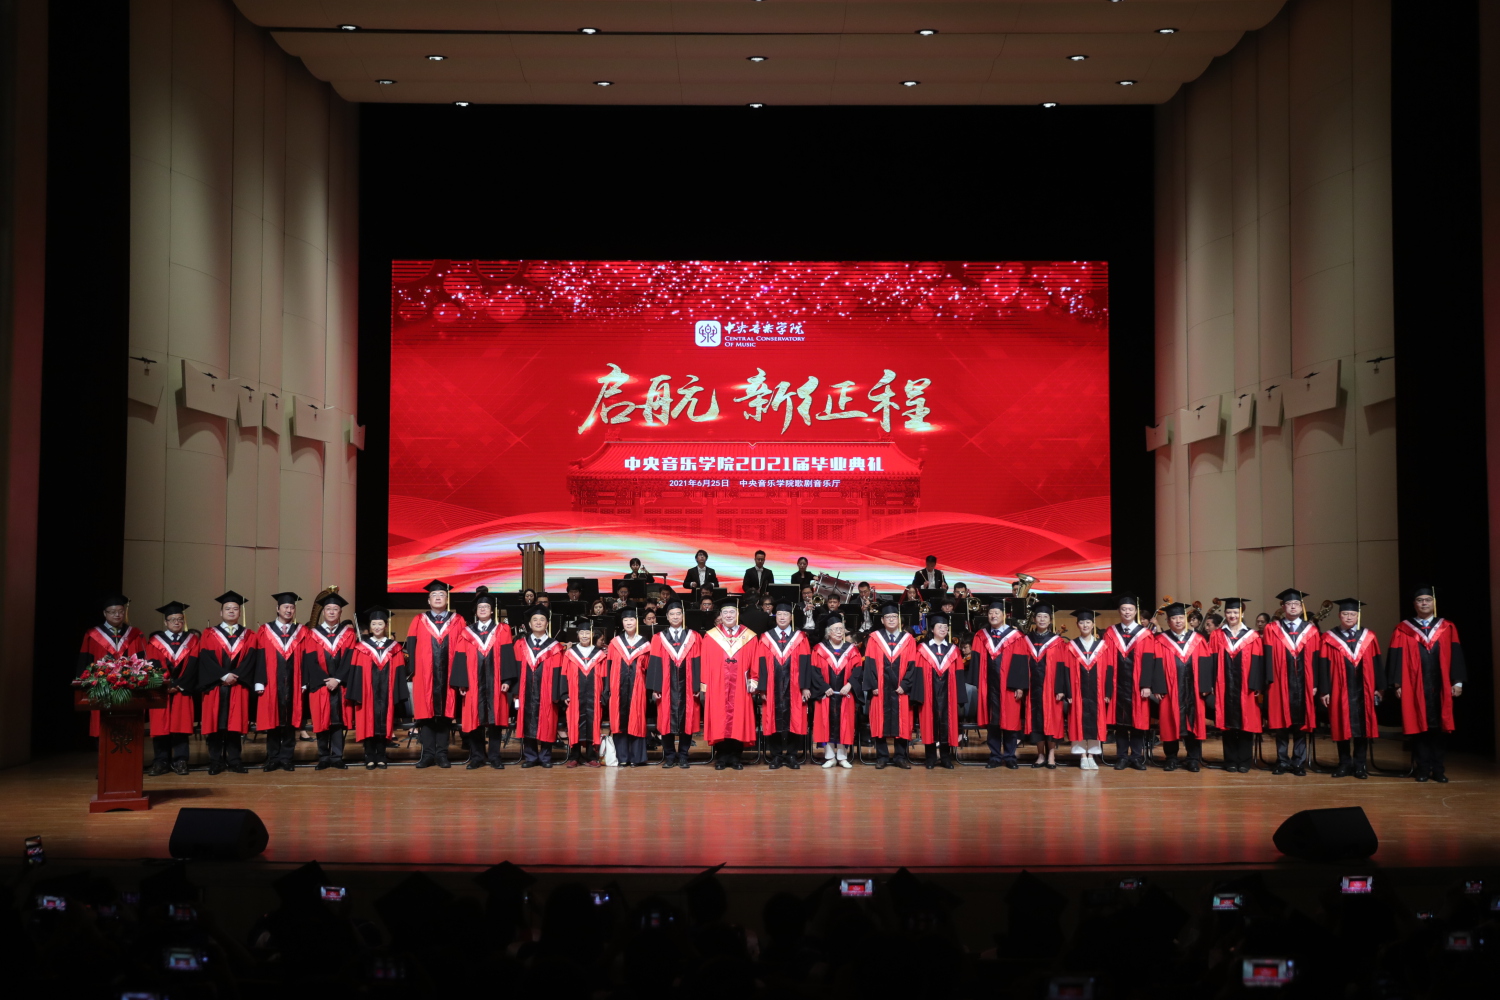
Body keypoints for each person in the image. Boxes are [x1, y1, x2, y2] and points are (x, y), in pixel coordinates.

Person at [1388, 585, 1465, 783]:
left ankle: (1438, 770)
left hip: (1441, 685)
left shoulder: (1447, 627)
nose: (1424, 603)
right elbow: (1396, 657)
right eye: (1420, 600)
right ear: (1414, 604)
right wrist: (1397, 684)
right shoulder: (1403, 629)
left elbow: (1456, 655)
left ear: (1433, 603)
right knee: (1418, 727)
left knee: (1440, 728)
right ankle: (1422, 769)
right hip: (1414, 686)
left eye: (1427, 600)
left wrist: (1457, 682)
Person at [1317, 599, 1383, 780]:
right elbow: (1323, 666)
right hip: (1339, 690)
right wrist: (1325, 690)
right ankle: (1344, 764)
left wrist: (1379, 688)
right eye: (1345, 614)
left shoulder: (1369, 637)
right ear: (1339, 615)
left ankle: (1360, 765)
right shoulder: (1329, 638)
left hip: (1364, 690)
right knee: (1341, 726)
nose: (1348, 617)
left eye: (1352, 614)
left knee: (1363, 727)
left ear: (1358, 616)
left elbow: (1377, 663)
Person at [404, 579, 465, 769]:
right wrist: (413, 671)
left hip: (449, 675)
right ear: (428, 600)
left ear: (447, 599)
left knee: (445, 716)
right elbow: (411, 646)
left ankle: (442, 754)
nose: (438, 598)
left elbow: (463, 649)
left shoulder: (458, 620)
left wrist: (461, 675)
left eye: (442, 595)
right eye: (434, 595)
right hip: (425, 676)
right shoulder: (418, 620)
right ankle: (428, 754)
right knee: (426, 715)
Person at [451, 586, 513, 770]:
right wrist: (461, 683)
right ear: (476, 611)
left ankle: (495, 756)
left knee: (495, 721)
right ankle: (477, 756)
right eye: (480, 607)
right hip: (473, 683)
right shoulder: (467, 632)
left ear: (492, 610)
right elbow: (460, 657)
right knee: (474, 719)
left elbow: (507, 655)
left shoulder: (502, 630)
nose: (483, 609)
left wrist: (507, 680)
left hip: (496, 681)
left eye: (486, 607)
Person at [196, 591, 257, 774]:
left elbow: (250, 660)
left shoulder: (248, 635)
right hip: (215, 686)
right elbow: (206, 659)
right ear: (221, 612)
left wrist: (235, 676)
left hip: (238, 685)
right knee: (215, 724)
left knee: (235, 725)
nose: (231, 611)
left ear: (240, 612)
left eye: (235, 609)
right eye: (228, 608)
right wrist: (223, 676)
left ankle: (235, 760)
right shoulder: (209, 634)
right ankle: (215, 761)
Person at [1262, 588, 1318, 776]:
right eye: (1289, 604)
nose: (1293, 607)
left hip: (1304, 683)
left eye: (1296, 604)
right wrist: (1269, 681)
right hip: (1280, 683)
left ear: (1301, 607)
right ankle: (1282, 761)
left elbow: (1316, 659)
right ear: (1283, 607)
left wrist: (1315, 683)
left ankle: (1298, 763)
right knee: (1281, 724)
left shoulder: (1311, 630)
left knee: (1301, 724)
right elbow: (1267, 656)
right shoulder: (1272, 629)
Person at [1152, 603, 1214, 773]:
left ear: (1185, 619)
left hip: (1193, 689)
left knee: (1194, 722)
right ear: (1168, 621)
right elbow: (1156, 663)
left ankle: (1193, 759)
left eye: (1181, 617)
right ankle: (1171, 758)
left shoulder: (1198, 639)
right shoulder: (1160, 640)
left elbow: (1205, 662)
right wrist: (1159, 687)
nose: (1178, 621)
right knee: (1169, 723)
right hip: (1170, 689)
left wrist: (1205, 685)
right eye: (1174, 618)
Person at [79, 594, 148, 741]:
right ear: (105, 613)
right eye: (113, 612)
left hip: (130, 689)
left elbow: (144, 661)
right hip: (102, 689)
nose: (117, 614)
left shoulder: (135, 634)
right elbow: (85, 662)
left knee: (129, 728)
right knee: (104, 729)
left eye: (121, 611)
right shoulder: (93, 635)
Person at [503, 606, 566, 768]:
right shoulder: (520, 644)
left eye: (542, 619)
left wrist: (557, 694)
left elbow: (559, 672)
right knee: (527, 721)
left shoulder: (555, 647)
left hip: (547, 692)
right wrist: (515, 691)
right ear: (529, 624)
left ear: (547, 624)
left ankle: (545, 757)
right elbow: (516, 669)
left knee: (547, 721)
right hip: (525, 691)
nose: (538, 622)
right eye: (535, 620)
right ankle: (530, 757)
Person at [968, 601, 1028, 769]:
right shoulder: (981, 635)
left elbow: (1021, 662)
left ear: (1004, 615)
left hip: (1009, 686)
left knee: (1010, 721)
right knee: (992, 722)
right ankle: (994, 756)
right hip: (988, 686)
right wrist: (977, 684)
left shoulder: (1016, 636)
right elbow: (976, 660)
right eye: (990, 613)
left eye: (996, 613)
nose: (993, 616)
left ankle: (1010, 756)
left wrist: (1019, 686)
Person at [348, 608, 409, 770]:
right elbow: (356, 672)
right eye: (374, 624)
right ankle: (369, 755)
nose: (377, 627)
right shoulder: (361, 647)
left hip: (387, 693)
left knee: (384, 722)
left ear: (386, 626)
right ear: (370, 626)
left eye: (380, 624)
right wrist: (357, 693)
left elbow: (399, 672)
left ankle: (381, 755)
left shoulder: (394, 648)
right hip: (367, 693)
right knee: (367, 722)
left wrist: (398, 694)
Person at [302, 591, 357, 770]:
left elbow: (350, 659)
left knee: (338, 722)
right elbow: (310, 661)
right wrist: (325, 680)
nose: (332, 612)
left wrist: (338, 679)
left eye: (335, 609)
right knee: (321, 720)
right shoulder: (312, 634)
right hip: (320, 685)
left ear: (340, 612)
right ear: (323, 612)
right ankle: (323, 757)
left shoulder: (349, 634)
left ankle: (337, 757)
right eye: (328, 609)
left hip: (340, 686)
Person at [699, 603, 758, 769]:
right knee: (720, 719)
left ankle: (736, 757)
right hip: (718, 684)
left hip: (740, 684)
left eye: (732, 612)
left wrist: (754, 679)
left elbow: (755, 659)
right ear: (721, 615)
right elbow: (705, 662)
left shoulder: (749, 636)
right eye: (725, 612)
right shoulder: (711, 636)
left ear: (737, 614)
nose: (729, 615)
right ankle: (722, 757)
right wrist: (705, 684)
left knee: (739, 718)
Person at [144, 601, 198, 777]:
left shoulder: (192, 640)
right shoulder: (154, 642)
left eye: (180, 619)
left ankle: (181, 760)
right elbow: (152, 664)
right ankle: (161, 761)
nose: (177, 622)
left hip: (182, 690)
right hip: (162, 690)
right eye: (173, 619)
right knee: (161, 725)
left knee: (181, 726)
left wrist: (179, 684)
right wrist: (166, 684)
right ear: (166, 622)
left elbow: (193, 665)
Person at [253, 592, 306, 772]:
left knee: (290, 722)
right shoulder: (265, 630)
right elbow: (260, 657)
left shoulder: (301, 631)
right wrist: (259, 681)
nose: (289, 610)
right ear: (277, 609)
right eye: (285, 607)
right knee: (272, 720)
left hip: (293, 682)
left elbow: (306, 658)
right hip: (271, 683)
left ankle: (287, 758)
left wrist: (304, 681)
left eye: (291, 607)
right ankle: (273, 757)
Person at [757, 604, 813, 770]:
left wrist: (805, 686)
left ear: (791, 617)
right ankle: (776, 755)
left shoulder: (800, 638)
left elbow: (806, 662)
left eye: (785, 615)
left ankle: (791, 755)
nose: (782, 617)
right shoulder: (766, 638)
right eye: (779, 614)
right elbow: (761, 663)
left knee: (795, 718)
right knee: (772, 718)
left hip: (794, 686)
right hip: (772, 686)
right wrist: (762, 687)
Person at [1210, 598, 1262, 773]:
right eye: (1229, 612)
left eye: (1235, 612)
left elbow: (1257, 661)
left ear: (1242, 613)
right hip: (1224, 685)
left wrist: (1256, 684)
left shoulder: (1252, 636)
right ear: (1225, 614)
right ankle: (1231, 760)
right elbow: (1211, 660)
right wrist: (1211, 683)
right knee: (1227, 723)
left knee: (1247, 722)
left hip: (1246, 686)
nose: (1232, 615)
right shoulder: (1217, 635)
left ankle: (1245, 761)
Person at [863, 604, 917, 769]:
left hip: (901, 690)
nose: (891, 620)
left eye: (894, 617)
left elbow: (913, 664)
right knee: (879, 720)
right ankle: (882, 756)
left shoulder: (908, 639)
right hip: (880, 689)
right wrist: (873, 685)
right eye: (888, 617)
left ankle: (900, 757)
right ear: (882, 620)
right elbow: (869, 664)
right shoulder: (874, 639)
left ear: (898, 619)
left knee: (902, 721)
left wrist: (906, 684)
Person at [1056, 609, 1112, 770]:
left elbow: (1109, 669)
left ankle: (1092, 755)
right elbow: (1065, 670)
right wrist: (1068, 691)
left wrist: (1108, 692)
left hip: (1097, 691)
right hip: (1077, 691)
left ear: (1093, 624)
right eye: (1082, 622)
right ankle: (1082, 755)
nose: (1085, 625)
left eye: (1088, 622)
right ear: (1077, 624)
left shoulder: (1102, 646)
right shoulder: (1071, 646)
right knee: (1077, 720)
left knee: (1096, 721)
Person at [648, 600, 701, 767]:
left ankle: (684, 755)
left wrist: (697, 685)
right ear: (667, 617)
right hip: (666, 687)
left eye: (678, 614)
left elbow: (698, 662)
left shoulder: (693, 637)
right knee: (666, 720)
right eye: (672, 614)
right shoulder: (659, 638)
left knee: (687, 719)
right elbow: (655, 663)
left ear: (683, 616)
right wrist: (656, 687)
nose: (675, 617)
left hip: (688, 686)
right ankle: (670, 755)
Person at [1106, 595, 1155, 771]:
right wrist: (1107, 687)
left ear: (1136, 612)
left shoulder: (1145, 634)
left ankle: (1136, 757)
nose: (1127, 612)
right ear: (1119, 611)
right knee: (1120, 723)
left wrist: (1146, 684)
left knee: (1138, 721)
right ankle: (1121, 757)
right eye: (1124, 609)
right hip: (1117, 684)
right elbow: (1106, 661)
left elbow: (1148, 660)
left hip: (1137, 684)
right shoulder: (1111, 633)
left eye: (1130, 609)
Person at [606, 605, 652, 767]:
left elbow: (648, 668)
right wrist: (608, 689)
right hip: (617, 689)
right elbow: (609, 667)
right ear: (622, 622)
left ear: (636, 621)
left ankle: (637, 758)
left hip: (638, 689)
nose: (629, 622)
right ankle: (622, 757)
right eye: (626, 620)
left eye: (631, 619)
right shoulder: (615, 643)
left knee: (636, 719)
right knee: (619, 721)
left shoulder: (645, 644)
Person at [915, 614, 962, 769]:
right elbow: (918, 673)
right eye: (939, 627)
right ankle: (930, 757)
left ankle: (946, 757)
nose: (943, 629)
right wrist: (918, 695)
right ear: (932, 629)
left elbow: (959, 673)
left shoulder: (953, 650)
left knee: (947, 723)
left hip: (949, 694)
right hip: (929, 693)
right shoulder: (923, 649)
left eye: (945, 627)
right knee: (929, 723)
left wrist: (960, 696)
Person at [810, 619, 859, 768]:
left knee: (845, 724)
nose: (839, 632)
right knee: (825, 724)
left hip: (845, 695)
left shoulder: (852, 650)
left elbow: (858, 669)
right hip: (826, 695)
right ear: (828, 632)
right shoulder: (819, 649)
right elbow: (814, 671)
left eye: (841, 629)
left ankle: (842, 757)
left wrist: (850, 684)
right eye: (835, 629)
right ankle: (830, 757)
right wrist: (824, 686)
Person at [1023, 606, 1067, 768]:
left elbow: (1061, 667)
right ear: (1034, 619)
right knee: (1036, 720)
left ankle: (1051, 755)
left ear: (1050, 620)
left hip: (1051, 689)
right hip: (1033, 688)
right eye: (1039, 616)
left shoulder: (1057, 641)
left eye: (1045, 617)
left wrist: (1060, 688)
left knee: (1052, 720)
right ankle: (1040, 755)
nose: (1042, 619)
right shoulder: (1026, 640)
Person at [560, 619, 608, 767]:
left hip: (594, 696)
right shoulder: (570, 653)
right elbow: (563, 674)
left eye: (587, 633)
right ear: (578, 635)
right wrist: (564, 694)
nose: (585, 636)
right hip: (575, 696)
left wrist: (604, 694)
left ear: (592, 634)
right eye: (582, 633)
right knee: (574, 722)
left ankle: (591, 756)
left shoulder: (599, 654)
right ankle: (574, 756)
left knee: (593, 723)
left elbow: (605, 676)